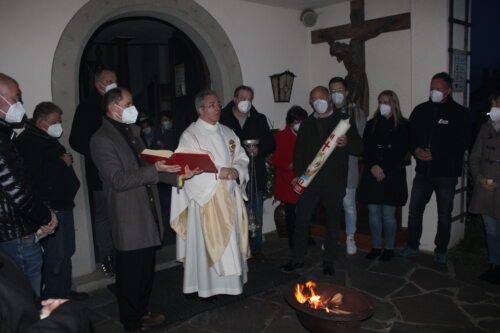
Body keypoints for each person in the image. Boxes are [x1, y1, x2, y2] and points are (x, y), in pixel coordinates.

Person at [90, 87, 192, 332]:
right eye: (128, 104)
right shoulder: (101, 139)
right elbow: (118, 179)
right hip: (128, 215)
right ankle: (131, 321)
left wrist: (179, 176)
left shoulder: (132, 131)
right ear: (113, 107)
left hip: (147, 210)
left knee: (146, 271)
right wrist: (156, 169)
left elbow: (149, 169)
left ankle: (142, 311)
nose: (133, 108)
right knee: (130, 275)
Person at [170, 89, 250, 298]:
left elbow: (241, 157)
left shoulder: (228, 132)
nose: (217, 108)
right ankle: (208, 287)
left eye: (217, 104)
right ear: (200, 109)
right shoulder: (190, 135)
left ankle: (232, 284)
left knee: (232, 239)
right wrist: (218, 174)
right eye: (211, 105)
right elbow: (186, 167)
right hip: (207, 198)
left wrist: (237, 170)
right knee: (209, 242)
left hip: (230, 195)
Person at [281, 86, 363, 275]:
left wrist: (347, 143)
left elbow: (359, 148)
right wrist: (297, 176)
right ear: (310, 103)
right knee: (301, 219)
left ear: (329, 98)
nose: (318, 101)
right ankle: (297, 258)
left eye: (321, 97)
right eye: (314, 99)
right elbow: (299, 152)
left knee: (333, 222)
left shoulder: (343, 121)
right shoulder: (307, 124)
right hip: (310, 182)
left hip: (334, 182)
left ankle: (329, 260)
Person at [15, 102, 87, 300]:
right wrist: (61, 162)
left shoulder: (47, 139)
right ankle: (54, 299)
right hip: (50, 206)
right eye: (56, 121)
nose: (60, 125)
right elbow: (36, 174)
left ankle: (63, 291)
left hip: (62, 202)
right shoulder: (27, 142)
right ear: (41, 122)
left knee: (66, 250)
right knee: (56, 255)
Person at [400, 72, 470, 264]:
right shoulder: (421, 110)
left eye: (438, 89)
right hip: (423, 172)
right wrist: (416, 150)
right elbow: (410, 135)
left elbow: (462, 142)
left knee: (444, 214)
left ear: (448, 90)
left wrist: (436, 154)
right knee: (414, 211)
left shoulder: (460, 113)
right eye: (432, 88)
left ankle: (440, 251)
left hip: (446, 174)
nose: (434, 92)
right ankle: (412, 246)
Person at [0, 73, 58, 296]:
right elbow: (17, 190)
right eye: (15, 99)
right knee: (27, 298)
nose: (19, 104)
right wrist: (45, 217)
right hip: (15, 231)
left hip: (10, 230)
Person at [69, 67, 117, 276]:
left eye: (115, 80)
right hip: (100, 173)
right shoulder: (87, 108)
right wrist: (101, 151)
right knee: (104, 216)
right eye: (109, 80)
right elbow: (76, 141)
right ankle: (106, 256)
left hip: (123, 172)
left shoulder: (118, 104)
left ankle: (122, 253)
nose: (114, 83)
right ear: (98, 84)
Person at [220, 85, 275, 260]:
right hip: (233, 176)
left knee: (255, 213)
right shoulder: (222, 118)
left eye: (249, 99)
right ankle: (235, 250)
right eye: (242, 98)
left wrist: (259, 150)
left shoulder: (259, 118)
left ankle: (256, 248)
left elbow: (270, 142)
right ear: (235, 99)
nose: (246, 102)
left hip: (255, 173)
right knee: (234, 213)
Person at [357, 90, 410, 262]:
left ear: (394, 104)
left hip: (392, 175)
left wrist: (383, 169)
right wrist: (373, 166)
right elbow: (365, 148)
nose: (383, 105)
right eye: (380, 101)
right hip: (373, 174)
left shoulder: (403, 125)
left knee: (388, 214)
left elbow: (401, 151)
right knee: (373, 212)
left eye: (386, 101)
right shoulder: (372, 123)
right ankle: (375, 246)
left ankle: (389, 247)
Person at [0, 250, 92, 333]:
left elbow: (25, 302)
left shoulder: (4, 258)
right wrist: (70, 315)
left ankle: (64, 293)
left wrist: (44, 310)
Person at [328, 77, 366, 255]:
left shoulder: (357, 113)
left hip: (349, 164)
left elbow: (360, 141)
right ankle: (332, 236)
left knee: (348, 204)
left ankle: (350, 236)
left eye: (339, 90)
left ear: (347, 92)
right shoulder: (325, 112)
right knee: (331, 204)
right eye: (333, 91)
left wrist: (348, 140)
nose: (336, 94)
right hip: (329, 166)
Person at [469, 92, 500, 284]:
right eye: (493, 104)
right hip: (485, 188)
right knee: (490, 228)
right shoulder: (485, 127)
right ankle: (494, 264)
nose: (494, 107)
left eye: (497, 103)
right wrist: (480, 179)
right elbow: (475, 157)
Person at [272, 106, 308, 248]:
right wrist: (289, 165)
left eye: (302, 121)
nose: (299, 124)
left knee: (305, 211)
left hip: (305, 178)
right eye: (296, 121)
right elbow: (275, 159)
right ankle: (293, 242)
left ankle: (307, 237)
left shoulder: (306, 135)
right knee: (292, 213)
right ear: (290, 122)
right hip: (287, 180)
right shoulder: (281, 136)